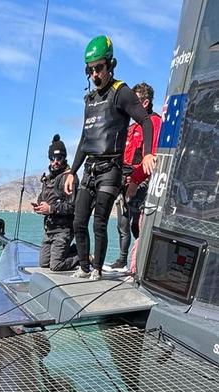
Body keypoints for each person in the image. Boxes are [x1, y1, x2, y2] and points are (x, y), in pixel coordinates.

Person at [64, 36, 156, 281]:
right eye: (90, 69)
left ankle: (97, 270)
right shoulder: (90, 100)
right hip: (90, 168)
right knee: (78, 221)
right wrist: (72, 171)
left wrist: (147, 153)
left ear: (110, 65)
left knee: (99, 223)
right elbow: (85, 139)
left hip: (111, 169)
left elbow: (146, 121)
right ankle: (84, 267)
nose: (95, 74)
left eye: (99, 68)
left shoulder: (121, 92)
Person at [107, 83, 162, 273]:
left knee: (138, 224)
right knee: (122, 223)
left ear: (145, 102)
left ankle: (140, 264)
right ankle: (122, 260)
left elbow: (152, 158)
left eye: (135, 101)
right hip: (124, 179)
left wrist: (136, 182)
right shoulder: (131, 127)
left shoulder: (154, 123)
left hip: (141, 182)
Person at [34, 135, 79, 272]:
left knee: (56, 266)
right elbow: (42, 198)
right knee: (44, 263)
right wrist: (40, 206)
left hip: (63, 230)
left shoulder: (70, 178)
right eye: (52, 159)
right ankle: (73, 250)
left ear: (64, 158)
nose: (55, 162)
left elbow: (72, 206)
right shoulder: (47, 179)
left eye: (58, 159)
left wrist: (51, 208)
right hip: (49, 230)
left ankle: (82, 256)